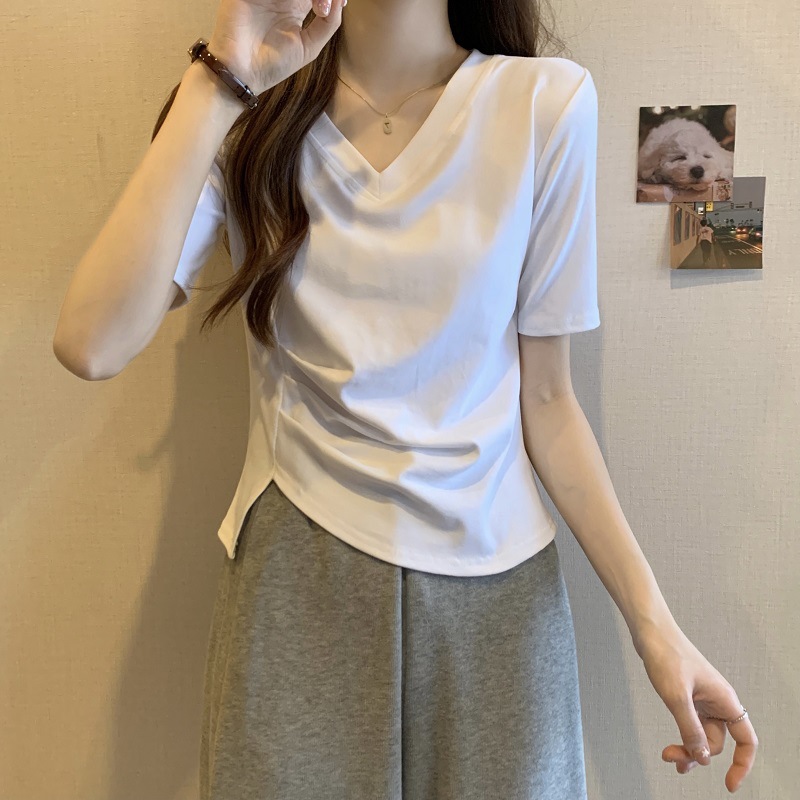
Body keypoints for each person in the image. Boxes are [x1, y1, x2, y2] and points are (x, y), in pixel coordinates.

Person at [53, 0, 758, 797]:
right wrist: (221, 79)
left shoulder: (547, 101)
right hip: (296, 577)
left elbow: (549, 400)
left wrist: (656, 630)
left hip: (501, 598)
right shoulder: (251, 114)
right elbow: (91, 343)